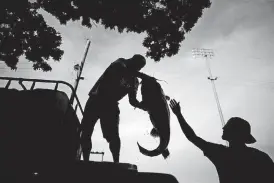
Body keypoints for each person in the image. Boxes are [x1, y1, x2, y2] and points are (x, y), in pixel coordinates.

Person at [169, 99, 274, 183]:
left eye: (227, 127)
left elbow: (192, 137)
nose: (223, 128)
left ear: (235, 133)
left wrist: (179, 115)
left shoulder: (221, 153)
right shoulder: (260, 156)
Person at [80, 54, 153, 163]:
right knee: (86, 130)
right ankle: (85, 160)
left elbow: (132, 101)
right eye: (137, 66)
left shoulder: (134, 81)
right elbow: (118, 69)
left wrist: (144, 107)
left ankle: (116, 162)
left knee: (114, 136)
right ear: (131, 60)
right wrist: (144, 76)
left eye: (140, 68)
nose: (138, 69)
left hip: (111, 104)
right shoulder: (120, 63)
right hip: (96, 99)